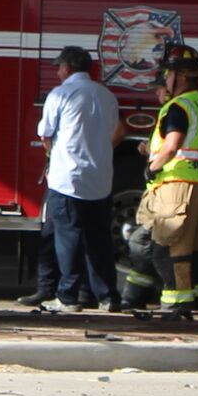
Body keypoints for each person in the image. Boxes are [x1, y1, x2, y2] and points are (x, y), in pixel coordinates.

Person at [26, 46, 120, 311]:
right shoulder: (106, 95)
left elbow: (45, 133)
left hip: (68, 179)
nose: (57, 72)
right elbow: (114, 130)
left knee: (68, 238)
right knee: (99, 240)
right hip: (100, 180)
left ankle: (68, 297)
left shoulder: (61, 93)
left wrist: (51, 153)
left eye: (59, 67)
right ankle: (108, 296)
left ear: (67, 67)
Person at [136, 41, 198, 318]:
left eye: (168, 74)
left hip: (175, 185)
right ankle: (197, 297)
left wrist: (152, 167)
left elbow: (173, 145)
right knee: (193, 248)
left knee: (168, 247)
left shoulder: (178, 106)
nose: (166, 79)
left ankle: (176, 304)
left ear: (180, 76)